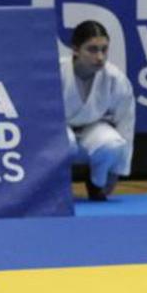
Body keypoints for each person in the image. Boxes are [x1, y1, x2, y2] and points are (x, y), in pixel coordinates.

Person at [61, 20, 134, 201]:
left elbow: (126, 121)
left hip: (91, 129)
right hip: (59, 132)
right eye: (92, 49)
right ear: (76, 49)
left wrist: (116, 170)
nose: (100, 57)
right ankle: (58, 186)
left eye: (104, 49)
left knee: (113, 143)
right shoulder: (56, 72)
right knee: (65, 141)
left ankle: (97, 183)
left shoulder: (114, 77)